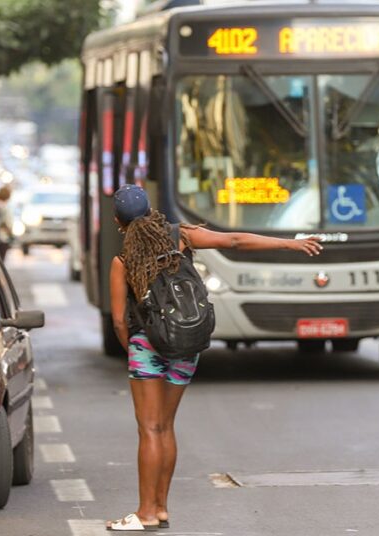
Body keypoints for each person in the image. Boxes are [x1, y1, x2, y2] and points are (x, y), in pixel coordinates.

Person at [105, 185, 321, 532]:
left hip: (149, 346)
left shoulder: (123, 261)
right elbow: (234, 241)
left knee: (149, 429)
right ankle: (160, 508)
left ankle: (145, 513)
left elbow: (118, 320)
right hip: (187, 342)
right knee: (167, 426)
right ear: (150, 211)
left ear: (118, 220)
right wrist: (289, 243)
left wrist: (134, 350)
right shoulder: (182, 236)